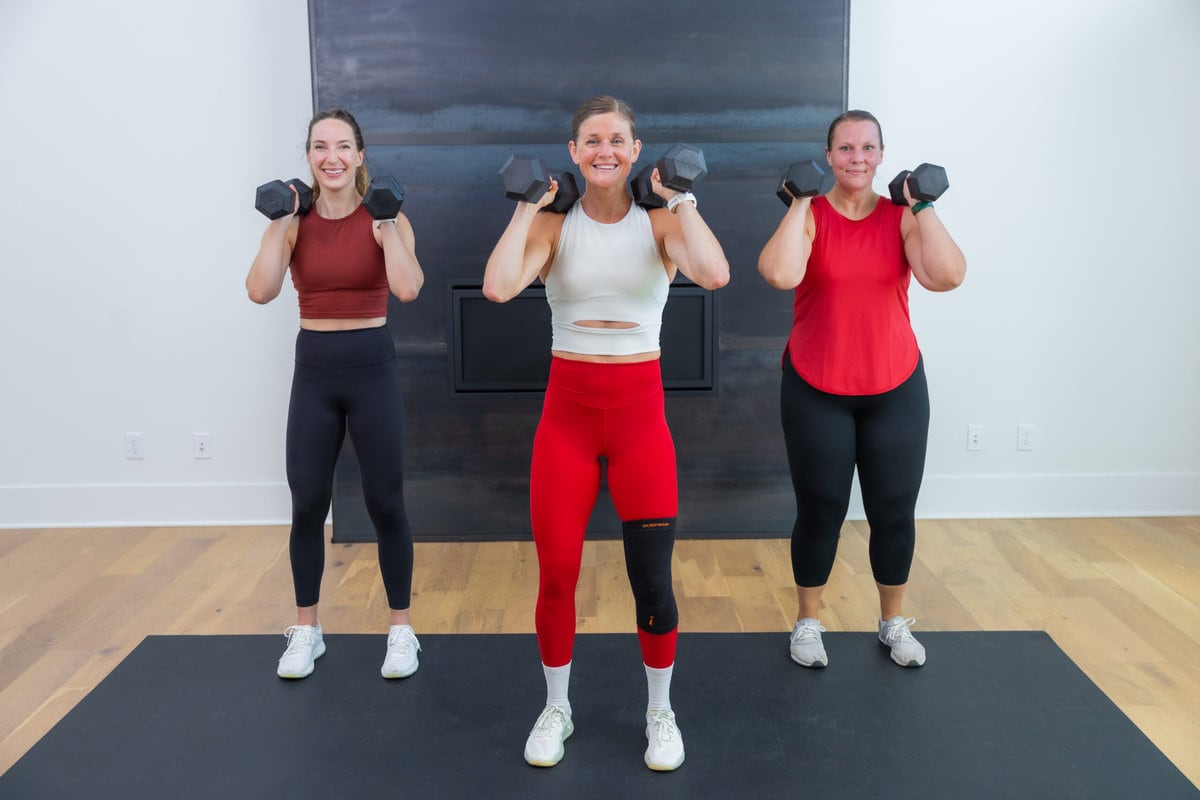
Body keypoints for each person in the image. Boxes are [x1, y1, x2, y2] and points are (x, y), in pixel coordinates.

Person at [483, 96, 729, 771]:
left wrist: (682, 202)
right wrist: (526, 206)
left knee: (652, 580)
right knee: (558, 576)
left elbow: (714, 273)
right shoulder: (553, 229)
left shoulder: (660, 226)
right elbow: (500, 287)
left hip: (638, 422)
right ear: (573, 151)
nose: (604, 150)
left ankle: (660, 711)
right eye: (592, 140)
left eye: (617, 139)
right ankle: (556, 707)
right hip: (566, 420)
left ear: (636, 148)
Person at [757, 110, 966, 670]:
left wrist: (921, 205)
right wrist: (800, 200)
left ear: (881, 155)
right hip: (816, 384)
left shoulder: (901, 217)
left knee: (894, 511)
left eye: (867, 148)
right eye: (845, 149)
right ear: (828, 157)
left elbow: (946, 276)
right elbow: (779, 274)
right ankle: (808, 622)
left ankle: (892, 622)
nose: (856, 159)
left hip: (894, 385)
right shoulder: (812, 215)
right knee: (820, 509)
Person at [246, 108, 425, 680]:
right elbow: (259, 291)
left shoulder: (385, 218)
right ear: (308, 157)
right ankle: (307, 630)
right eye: (321, 147)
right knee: (305, 504)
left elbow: (408, 288)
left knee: (386, 503)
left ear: (360, 155)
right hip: (316, 371)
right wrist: (280, 219)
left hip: (372, 368)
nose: (332, 157)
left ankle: (401, 631)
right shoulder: (295, 222)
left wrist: (388, 226)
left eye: (343, 146)